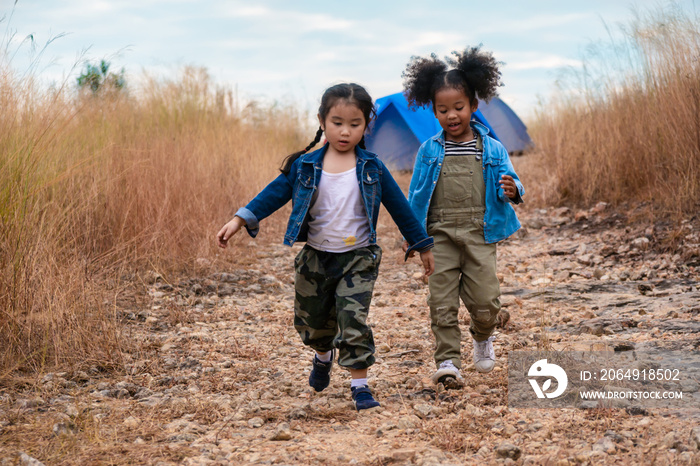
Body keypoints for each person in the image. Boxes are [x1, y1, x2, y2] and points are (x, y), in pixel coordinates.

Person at [217, 83, 435, 410]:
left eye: (354, 124)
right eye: (337, 122)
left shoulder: (372, 167)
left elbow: (399, 206)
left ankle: (360, 386)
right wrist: (240, 219)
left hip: (359, 258)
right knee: (312, 323)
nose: (345, 131)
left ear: (366, 125)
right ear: (322, 120)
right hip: (315, 258)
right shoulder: (305, 166)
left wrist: (422, 244)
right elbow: (273, 194)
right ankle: (323, 355)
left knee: (353, 319)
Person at [401, 46, 524, 389]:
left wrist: (513, 189)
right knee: (440, 301)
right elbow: (416, 195)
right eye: (443, 110)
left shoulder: (491, 148)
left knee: (486, 302)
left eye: (458, 107)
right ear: (434, 111)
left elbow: (512, 180)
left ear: (473, 105)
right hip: (438, 235)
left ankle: (482, 336)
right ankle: (448, 361)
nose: (452, 115)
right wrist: (414, 236)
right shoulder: (429, 150)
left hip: (479, 233)